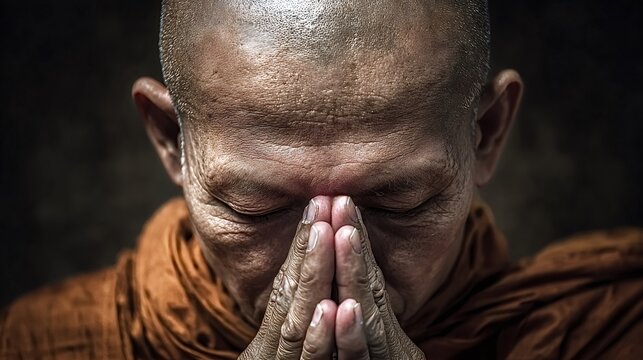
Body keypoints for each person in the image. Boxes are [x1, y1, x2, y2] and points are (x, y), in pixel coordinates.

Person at [2, 0, 642, 359]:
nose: (331, 251)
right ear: (174, 142)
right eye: (254, 206)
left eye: (400, 200)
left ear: (488, 131)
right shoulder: (39, 346)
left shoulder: (611, 333)